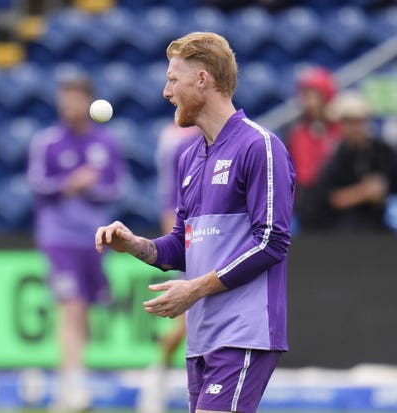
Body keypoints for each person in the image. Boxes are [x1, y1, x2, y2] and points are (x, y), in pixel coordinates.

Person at [95, 32, 296, 413]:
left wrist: (193, 290)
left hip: (244, 333)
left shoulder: (260, 146)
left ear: (202, 80)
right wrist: (134, 244)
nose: (166, 92)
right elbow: (180, 247)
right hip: (202, 338)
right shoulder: (189, 158)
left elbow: (272, 241)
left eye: (173, 80)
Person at [26, 74, 127, 412]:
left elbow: (116, 188)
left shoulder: (107, 143)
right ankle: (71, 389)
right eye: (64, 99)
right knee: (70, 307)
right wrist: (68, 184)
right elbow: (37, 183)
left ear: (88, 102)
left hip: (95, 239)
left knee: (84, 311)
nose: (69, 106)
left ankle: (74, 376)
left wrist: (90, 187)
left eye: (75, 99)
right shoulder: (47, 142)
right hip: (59, 237)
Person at [137, 123, 200, 413]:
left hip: (215, 238)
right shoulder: (176, 143)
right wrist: (181, 250)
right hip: (191, 241)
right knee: (188, 319)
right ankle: (156, 378)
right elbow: (170, 201)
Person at [317, 90, 397, 233]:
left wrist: (381, 193)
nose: (353, 128)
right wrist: (364, 192)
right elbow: (331, 199)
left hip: (382, 225)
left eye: (358, 121)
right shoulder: (336, 155)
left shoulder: (384, 151)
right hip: (345, 227)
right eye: (347, 122)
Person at [285, 66, 340, 232]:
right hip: (306, 203)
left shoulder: (339, 130)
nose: (309, 101)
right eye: (306, 95)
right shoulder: (296, 132)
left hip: (334, 201)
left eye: (314, 95)